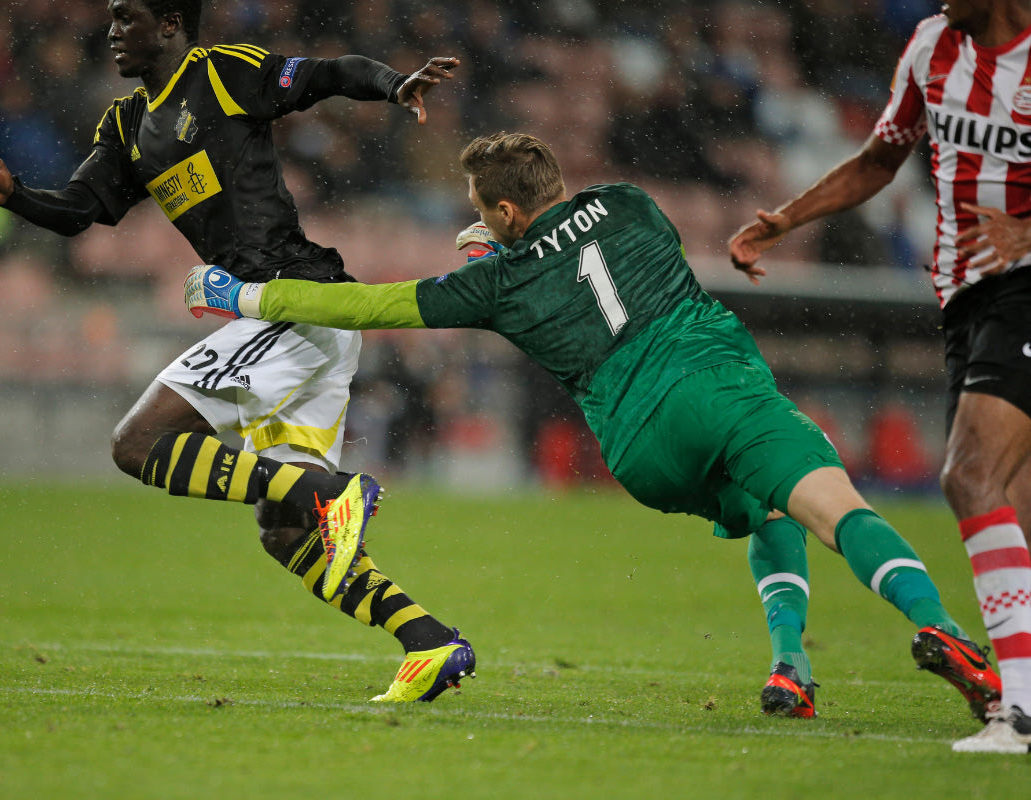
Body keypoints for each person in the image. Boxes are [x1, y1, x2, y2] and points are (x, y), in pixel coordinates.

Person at [185, 131, 1001, 727]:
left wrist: (242, 295)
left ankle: (791, 666)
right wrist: (514, 245)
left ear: (503, 210)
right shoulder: (630, 202)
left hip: (638, 446)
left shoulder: (494, 286)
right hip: (715, 381)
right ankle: (942, 626)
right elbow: (602, 264)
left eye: (483, 211)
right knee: (834, 508)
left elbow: (365, 305)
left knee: (766, 510)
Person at [0, 0, 474, 703]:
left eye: (128, 17)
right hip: (293, 322)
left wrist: (394, 84)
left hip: (293, 299)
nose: (113, 30)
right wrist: (15, 197)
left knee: (137, 444)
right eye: (112, 18)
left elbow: (328, 74)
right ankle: (430, 642)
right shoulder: (127, 124)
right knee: (285, 532)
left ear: (171, 25)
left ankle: (333, 493)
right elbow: (79, 209)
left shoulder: (220, 74)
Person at [728, 0, 1031, 753]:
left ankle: (1021, 710)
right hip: (965, 296)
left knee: (970, 476)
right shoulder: (931, 46)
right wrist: (786, 219)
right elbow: (877, 160)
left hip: (1025, 284)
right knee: (1015, 499)